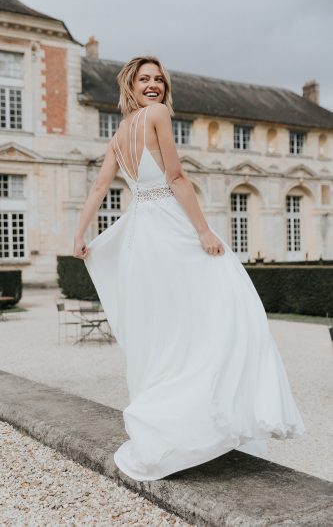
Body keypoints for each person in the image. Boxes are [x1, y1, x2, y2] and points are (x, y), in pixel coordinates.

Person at [73, 55, 305, 481]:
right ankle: (212, 417)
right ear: (130, 85)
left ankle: (184, 421)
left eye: (158, 79)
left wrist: (80, 233)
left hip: (144, 235)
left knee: (172, 328)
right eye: (144, 79)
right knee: (232, 307)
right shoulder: (157, 116)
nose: (153, 86)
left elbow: (100, 186)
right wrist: (203, 232)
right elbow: (176, 177)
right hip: (170, 226)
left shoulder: (119, 134)